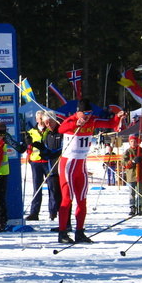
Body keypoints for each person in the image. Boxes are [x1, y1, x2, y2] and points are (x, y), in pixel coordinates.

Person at [56, 99, 124, 244]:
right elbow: (61, 129)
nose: (88, 116)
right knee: (67, 199)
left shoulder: (92, 121)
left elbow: (110, 124)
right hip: (68, 165)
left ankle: (80, 232)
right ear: (78, 112)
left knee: (82, 200)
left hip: (81, 166)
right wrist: (76, 124)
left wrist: (118, 117)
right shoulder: (72, 119)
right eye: (85, 114)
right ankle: (62, 233)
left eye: (90, 113)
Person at [25, 110, 49, 220]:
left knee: (52, 187)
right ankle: (34, 213)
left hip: (47, 161)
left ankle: (53, 212)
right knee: (37, 188)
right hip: (36, 162)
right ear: (36, 119)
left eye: (43, 118)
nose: (42, 121)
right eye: (40, 119)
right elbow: (29, 146)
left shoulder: (49, 130)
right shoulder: (31, 131)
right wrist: (28, 157)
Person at [123, 134, 142, 216]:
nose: (133, 143)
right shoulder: (127, 151)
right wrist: (132, 161)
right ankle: (132, 207)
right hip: (131, 175)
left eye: (135, 141)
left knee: (140, 192)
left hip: (140, 175)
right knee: (132, 193)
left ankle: (139, 207)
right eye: (131, 141)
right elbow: (123, 163)